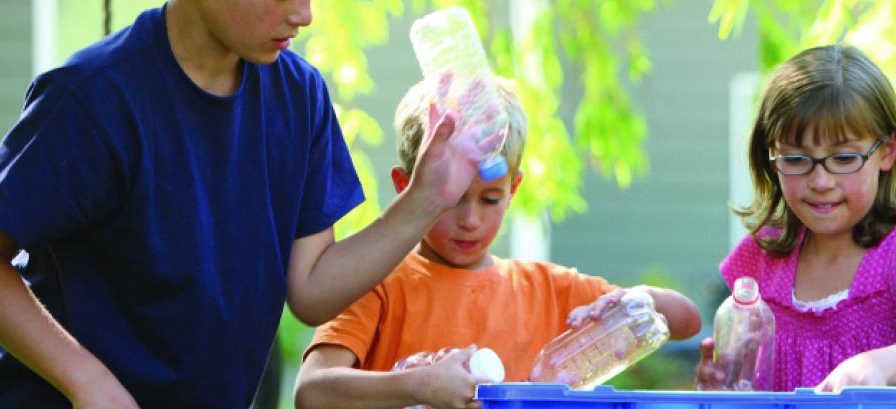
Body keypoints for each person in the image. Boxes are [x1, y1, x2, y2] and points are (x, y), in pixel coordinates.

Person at [0, 0, 483, 407]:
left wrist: (427, 199)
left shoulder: (300, 96)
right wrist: (88, 384)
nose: (305, 14)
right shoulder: (94, 98)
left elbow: (310, 289)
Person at [293, 78, 703, 409]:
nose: (470, 221)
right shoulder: (373, 282)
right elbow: (312, 393)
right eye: (451, 200)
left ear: (513, 189)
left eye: (490, 199)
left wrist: (633, 301)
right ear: (407, 187)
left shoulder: (549, 289)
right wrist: (414, 385)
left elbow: (685, 321)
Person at [694, 44, 896, 407]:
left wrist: (877, 365)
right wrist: (722, 387)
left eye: (843, 158)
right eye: (796, 159)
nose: (821, 180)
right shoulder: (762, 258)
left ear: (887, 151)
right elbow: (746, 384)